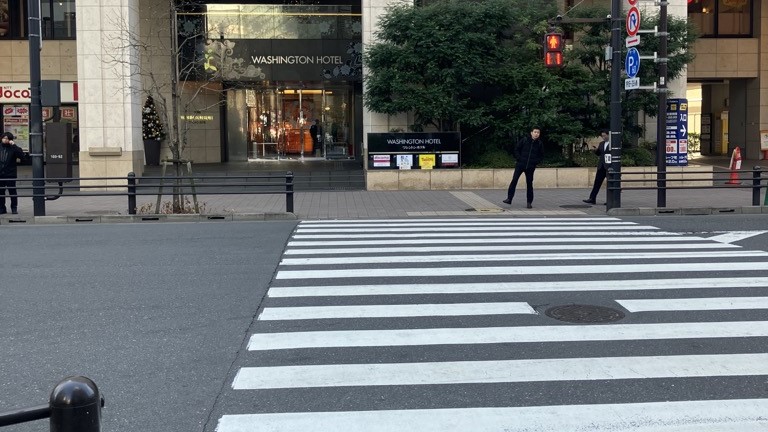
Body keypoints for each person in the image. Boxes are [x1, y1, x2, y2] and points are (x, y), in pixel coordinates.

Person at [503, 127, 544, 209]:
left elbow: (541, 155)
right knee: (514, 180)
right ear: (531, 133)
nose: (536, 134)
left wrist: (535, 162)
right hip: (520, 165)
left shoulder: (539, 144)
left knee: (529, 184)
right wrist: (519, 158)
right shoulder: (524, 140)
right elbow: (516, 149)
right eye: (535, 132)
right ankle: (509, 198)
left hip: (530, 167)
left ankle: (529, 202)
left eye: (538, 132)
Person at [583, 129, 610, 205]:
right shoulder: (601, 143)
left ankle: (610, 200)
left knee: (610, 184)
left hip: (609, 166)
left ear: (608, 135)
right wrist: (595, 150)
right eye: (602, 136)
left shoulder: (613, 143)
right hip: (601, 166)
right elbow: (599, 153)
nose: (603, 137)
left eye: (604, 135)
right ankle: (592, 198)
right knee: (597, 182)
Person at [0, 132, 24, 214]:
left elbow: (22, 156)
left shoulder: (13, 148)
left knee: (12, 191)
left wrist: (14, 145)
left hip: (10, 173)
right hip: (1, 174)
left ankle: (14, 207)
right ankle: (2, 208)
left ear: (10, 140)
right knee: (1, 192)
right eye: (4, 138)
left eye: (7, 138)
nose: (5, 140)